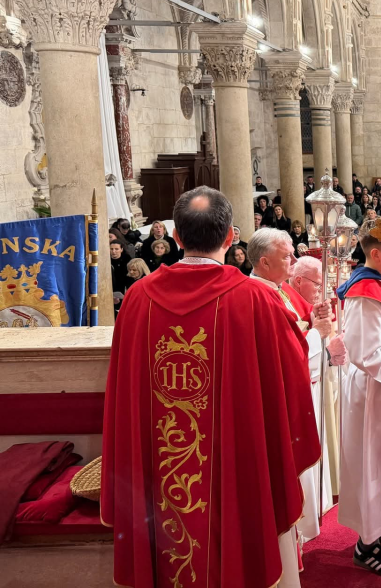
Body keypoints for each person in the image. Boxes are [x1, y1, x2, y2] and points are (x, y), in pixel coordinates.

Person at [102, 186, 321, 588]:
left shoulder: (137, 300)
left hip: (159, 476)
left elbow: (122, 396)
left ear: (178, 238)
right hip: (236, 468)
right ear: (229, 237)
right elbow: (292, 376)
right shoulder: (257, 299)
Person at [248, 228, 345, 554]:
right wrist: (317, 334)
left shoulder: (277, 292)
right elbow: (290, 356)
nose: (293, 261)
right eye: (286, 256)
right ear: (263, 262)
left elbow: (295, 332)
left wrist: (312, 322)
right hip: (284, 397)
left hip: (299, 390)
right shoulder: (260, 296)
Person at [335, 219, 381, 576]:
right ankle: (367, 544)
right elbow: (364, 351)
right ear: (375, 254)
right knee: (372, 464)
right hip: (372, 391)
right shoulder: (366, 290)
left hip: (380, 386)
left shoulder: (377, 284)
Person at [287, 256, 347, 526]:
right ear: (299, 281)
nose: (321, 290)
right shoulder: (278, 298)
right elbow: (291, 353)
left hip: (316, 382)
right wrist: (318, 335)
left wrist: (317, 326)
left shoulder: (295, 299)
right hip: (303, 388)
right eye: (317, 283)